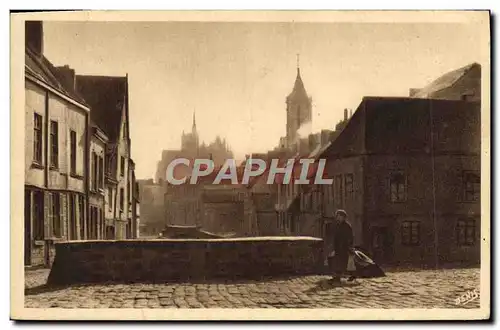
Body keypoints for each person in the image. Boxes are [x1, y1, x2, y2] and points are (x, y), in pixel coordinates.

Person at [327, 209, 355, 284]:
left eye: (339, 216)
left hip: (344, 247)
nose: (337, 217)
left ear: (343, 217)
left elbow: (350, 237)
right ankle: (337, 277)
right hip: (338, 247)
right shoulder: (337, 225)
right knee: (337, 262)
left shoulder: (347, 226)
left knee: (343, 263)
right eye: (337, 216)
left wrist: (349, 246)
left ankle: (343, 276)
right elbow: (335, 236)